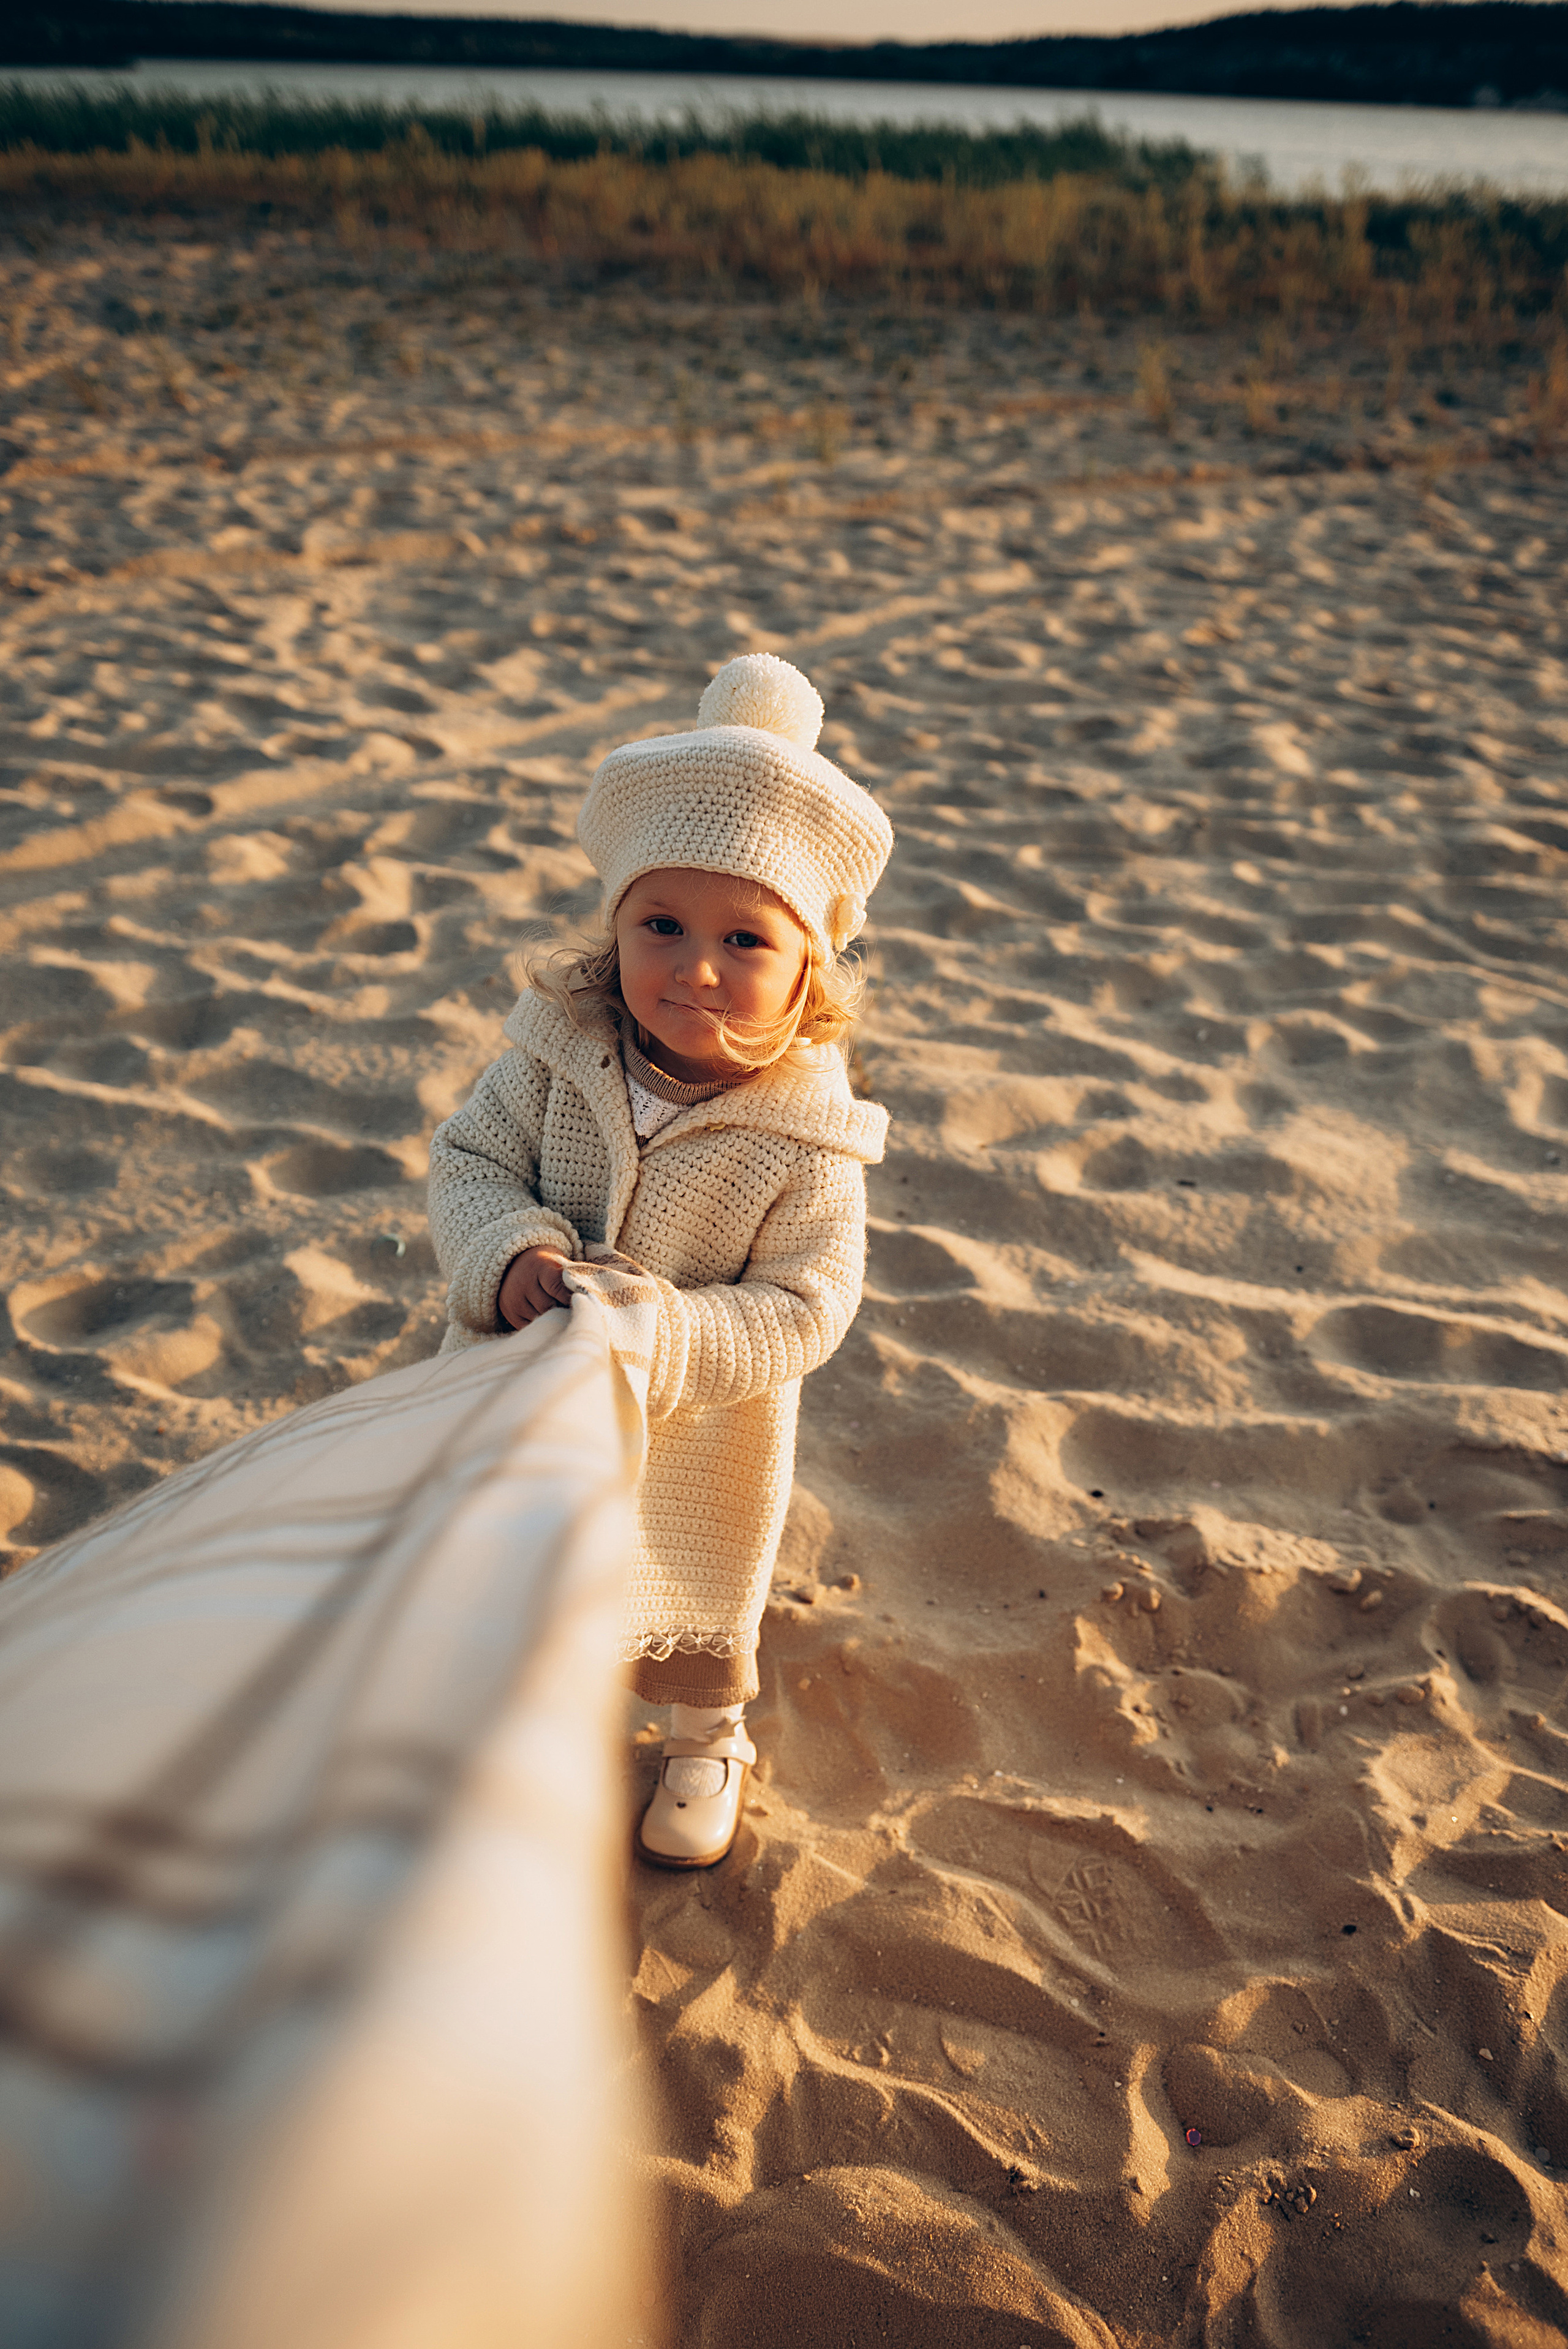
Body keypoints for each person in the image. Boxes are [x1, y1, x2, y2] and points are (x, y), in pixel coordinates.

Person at [427, 653, 892, 1868]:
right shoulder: (551, 1055)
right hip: (521, 1383)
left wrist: (669, 1334)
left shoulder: (804, 1131)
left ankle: (704, 1741)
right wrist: (511, 1250)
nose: (694, 964)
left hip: (698, 1423)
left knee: (693, 1592)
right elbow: (468, 1159)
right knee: (512, 1570)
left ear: (810, 969)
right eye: (661, 924)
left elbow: (809, 1300)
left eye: (744, 939)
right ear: (616, 925)